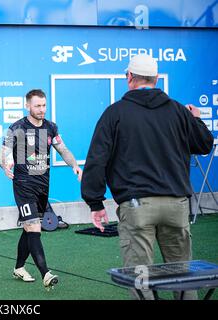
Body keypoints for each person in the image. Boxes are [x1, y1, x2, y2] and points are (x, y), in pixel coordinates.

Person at [80, 54, 214, 300]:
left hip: (137, 206)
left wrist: (95, 203)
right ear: (156, 79)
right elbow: (204, 144)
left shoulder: (115, 113)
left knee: (140, 278)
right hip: (177, 205)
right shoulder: (178, 111)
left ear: (129, 77)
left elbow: (97, 159)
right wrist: (196, 120)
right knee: (184, 277)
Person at [0, 89, 82, 289]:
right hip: (23, 185)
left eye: (44, 105)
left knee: (29, 230)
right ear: (28, 106)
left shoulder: (51, 127)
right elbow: (2, 154)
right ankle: (46, 274)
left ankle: (19, 267)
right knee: (34, 227)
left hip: (42, 187)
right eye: (37, 106)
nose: (42, 109)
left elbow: (63, 149)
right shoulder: (16, 128)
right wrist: (5, 165)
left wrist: (75, 166)